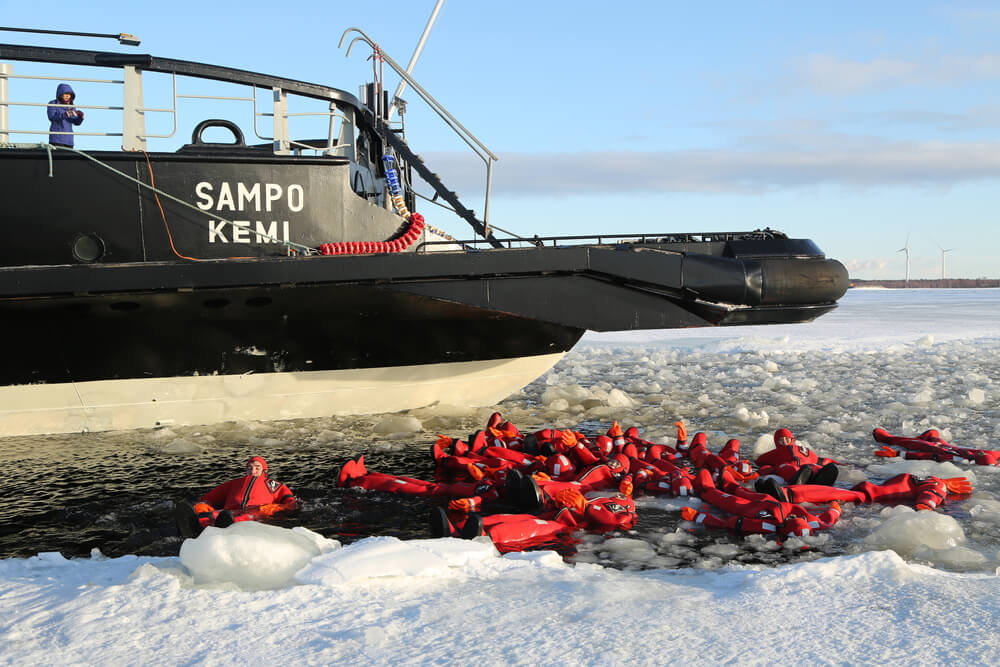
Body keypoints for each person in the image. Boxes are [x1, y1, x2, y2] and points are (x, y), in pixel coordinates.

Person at [174, 456, 299, 537]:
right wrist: (199, 505)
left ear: (264, 471)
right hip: (229, 511)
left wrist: (279, 508)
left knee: (248, 516)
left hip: (257, 510)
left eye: (257, 468)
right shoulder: (234, 483)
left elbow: (290, 501)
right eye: (249, 468)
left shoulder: (274, 485)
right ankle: (195, 526)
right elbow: (209, 498)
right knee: (207, 512)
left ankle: (224, 527)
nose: (253, 471)